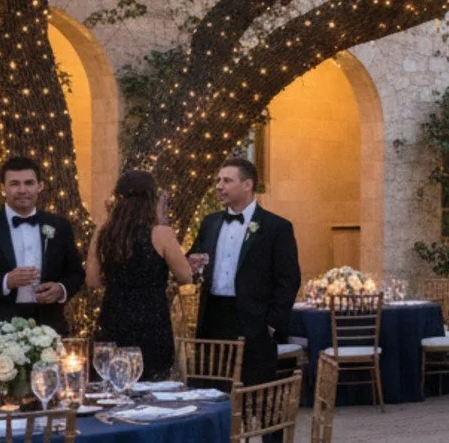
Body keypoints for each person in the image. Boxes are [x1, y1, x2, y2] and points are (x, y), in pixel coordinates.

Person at [187, 158, 300, 400]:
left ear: (247, 185)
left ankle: (263, 427)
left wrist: (271, 325)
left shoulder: (276, 227)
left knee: (256, 395)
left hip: (254, 322)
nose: (219, 186)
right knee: (211, 392)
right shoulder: (209, 223)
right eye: (219, 180)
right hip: (213, 319)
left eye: (227, 181)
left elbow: (289, 280)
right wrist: (193, 263)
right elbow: (194, 259)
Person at [0, 155, 85, 334]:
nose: (22, 190)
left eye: (29, 183)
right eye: (14, 184)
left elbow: (76, 274)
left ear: (40, 186)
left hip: (49, 329)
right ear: (3, 188)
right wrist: (5, 282)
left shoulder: (59, 226)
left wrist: (61, 290)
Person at [86, 170, 195, 380]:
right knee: (150, 381)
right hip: (152, 319)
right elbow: (185, 277)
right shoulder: (162, 234)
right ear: (152, 199)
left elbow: (92, 280)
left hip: (114, 315)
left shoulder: (103, 232)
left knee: (112, 379)